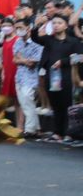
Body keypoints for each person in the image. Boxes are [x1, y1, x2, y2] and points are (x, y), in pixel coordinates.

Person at [31, 13, 81, 144]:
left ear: (65, 25)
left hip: (67, 76)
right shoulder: (49, 40)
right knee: (56, 105)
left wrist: (63, 62)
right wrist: (37, 25)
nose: (56, 25)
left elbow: (79, 57)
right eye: (54, 23)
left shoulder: (73, 41)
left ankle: (68, 133)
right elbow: (35, 37)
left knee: (67, 104)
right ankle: (57, 132)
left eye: (59, 23)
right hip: (51, 77)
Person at [11, 19, 43, 138]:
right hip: (19, 77)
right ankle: (37, 128)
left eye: (20, 27)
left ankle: (29, 129)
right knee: (25, 103)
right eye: (16, 28)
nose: (18, 30)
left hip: (31, 77)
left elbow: (33, 63)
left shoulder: (37, 43)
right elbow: (14, 59)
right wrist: (24, 60)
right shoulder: (17, 42)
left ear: (28, 28)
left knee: (27, 100)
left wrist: (21, 59)